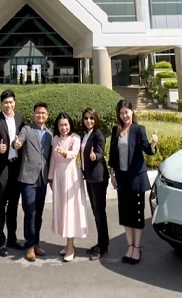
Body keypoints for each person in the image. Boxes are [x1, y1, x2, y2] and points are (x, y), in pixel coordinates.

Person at [109, 99, 157, 265]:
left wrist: (153, 142)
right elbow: (112, 154)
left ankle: (137, 248)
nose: (124, 116)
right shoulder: (116, 130)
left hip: (136, 179)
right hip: (121, 179)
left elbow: (147, 150)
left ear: (132, 112)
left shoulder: (138, 129)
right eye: (121, 113)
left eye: (127, 112)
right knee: (125, 215)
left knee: (136, 215)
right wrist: (112, 174)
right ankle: (129, 247)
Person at [0, 89, 26, 256]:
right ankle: (0, 242)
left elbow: (24, 138)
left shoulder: (20, 118)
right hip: (2, 168)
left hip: (16, 166)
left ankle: (12, 238)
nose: (8, 105)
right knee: (1, 204)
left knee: (14, 205)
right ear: (1, 104)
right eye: (5, 103)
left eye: (11, 102)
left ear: (14, 102)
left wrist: (20, 144)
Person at [15, 101, 53, 262]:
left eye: (43, 113)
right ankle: (29, 246)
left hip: (42, 178)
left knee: (39, 213)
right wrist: (16, 144)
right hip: (28, 178)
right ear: (33, 114)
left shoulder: (50, 134)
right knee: (30, 212)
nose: (40, 115)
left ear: (47, 115)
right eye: (38, 112)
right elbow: (19, 141)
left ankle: (36, 243)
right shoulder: (27, 129)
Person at [49, 112, 89, 261]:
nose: (63, 127)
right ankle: (68, 244)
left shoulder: (75, 138)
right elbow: (53, 160)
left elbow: (74, 153)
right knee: (62, 209)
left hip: (71, 175)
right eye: (61, 125)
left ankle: (70, 246)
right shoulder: (55, 139)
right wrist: (50, 177)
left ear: (70, 125)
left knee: (70, 210)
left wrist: (65, 152)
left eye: (66, 124)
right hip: (58, 176)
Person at [80, 107, 109, 260]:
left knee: (99, 211)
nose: (89, 121)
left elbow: (100, 152)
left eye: (91, 118)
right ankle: (102, 242)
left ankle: (103, 246)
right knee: (96, 211)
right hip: (90, 177)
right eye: (86, 118)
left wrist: (95, 156)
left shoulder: (98, 134)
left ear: (96, 119)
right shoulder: (85, 134)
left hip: (98, 178)